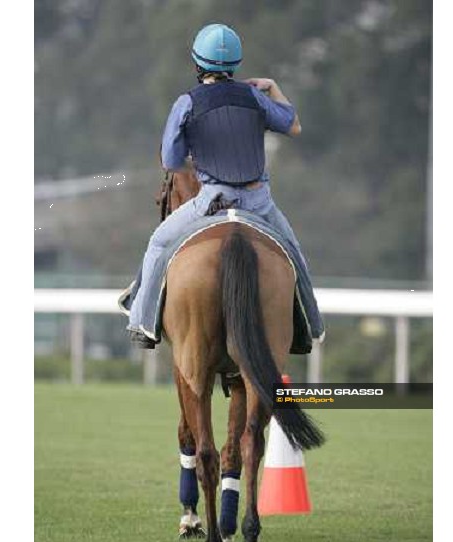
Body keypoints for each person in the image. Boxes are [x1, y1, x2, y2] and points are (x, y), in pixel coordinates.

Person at [128, 23, 323, 348]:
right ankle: (310, 326)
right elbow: (294, 126)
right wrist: (272, 87)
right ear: (235, 65)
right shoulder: (253, 97)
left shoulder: (186, 103)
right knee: (293, 253)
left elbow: (170, 162)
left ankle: (141, 322)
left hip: (211, 200)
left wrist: (198, 162)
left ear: (197, 63)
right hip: (259, 203)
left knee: (158, 244)